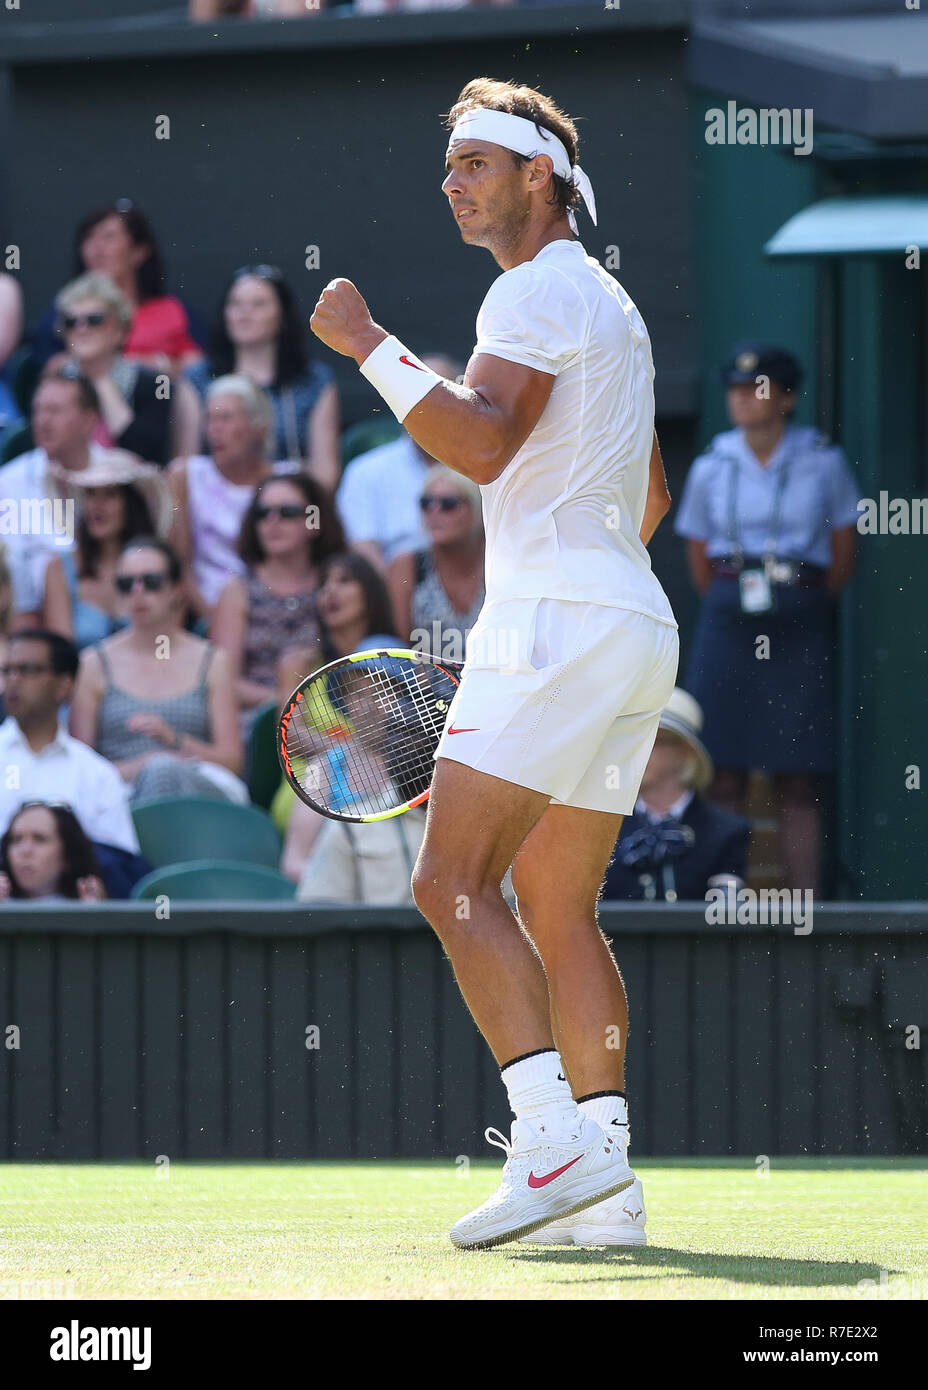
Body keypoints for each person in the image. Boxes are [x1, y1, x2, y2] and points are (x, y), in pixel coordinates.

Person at [308, 77, 679, 1250]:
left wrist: (367, 344)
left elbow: (475, 440)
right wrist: (574, 600)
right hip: (632, 623)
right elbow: (652, 494)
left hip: (561, 621)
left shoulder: (531, 293)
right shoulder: (609, 306)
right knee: (558, 908)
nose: (451, 180)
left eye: (475, 161)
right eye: (449, 164)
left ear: (540, 176)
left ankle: (547, 1136)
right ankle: (607, 1184)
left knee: (448, 883)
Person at [673, 343, 861, 895]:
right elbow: (699, 552)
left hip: (798, 613)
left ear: (786, 398)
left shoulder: (822, 460)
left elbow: (843, 548)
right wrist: (733, 597)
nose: (742, 400)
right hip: (732, 612)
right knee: (722, 768)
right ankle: (723, 897)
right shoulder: (713, 462)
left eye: (755, 389)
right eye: (734, 388)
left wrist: (804, 597)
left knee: (798, 776)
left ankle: (807, 906)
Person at [69, 538, 246, 804]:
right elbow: (82, 768)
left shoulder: (213, 660)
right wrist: (145, 766)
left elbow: (231, 762)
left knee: (162, 771)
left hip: (201, 796)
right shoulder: (93, 663)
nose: (138, 592)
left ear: (176, 589)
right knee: (157, 771)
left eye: (151, 582)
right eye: (126, 585)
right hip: (120, 795)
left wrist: (173, 741)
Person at [278, 551, 399, 880]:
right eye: (356, 694)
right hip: (312, 788)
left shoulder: (393, 650)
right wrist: (347, 749)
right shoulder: (301, 663)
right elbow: (290, 735)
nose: (330, 592)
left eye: (344, 581)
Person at [186, 265, 340, 489]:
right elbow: (187, 468)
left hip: (285, 510)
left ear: (282, 315)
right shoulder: (197, 378)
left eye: (258, 304)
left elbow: (326, 475)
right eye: (235, 303)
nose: (244, 313)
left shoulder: (315, 381)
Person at [211, 472, 344, 731]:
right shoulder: (238, 590)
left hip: (333, 716)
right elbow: (224, 682)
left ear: (315, 521)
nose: (272, 521)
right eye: (263, 513)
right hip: (259, 722)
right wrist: (286, 703)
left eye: (288, 512)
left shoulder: (335, 584)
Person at [601, 688, 751, 902]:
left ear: (685, 753)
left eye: (652, 742)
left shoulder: (725, 832)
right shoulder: (602, 828)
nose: (635, 753)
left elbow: (723, 922)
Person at [0, 630, 139, 854]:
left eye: (28, 670)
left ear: (64, 685)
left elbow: (119, 863)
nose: (13, 680)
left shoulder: (96, 774)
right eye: (8, 671)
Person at [44, 273, 200, 466]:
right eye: (71, 321)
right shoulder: (54, 382)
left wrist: (100, 381)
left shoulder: (153, 383)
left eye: (94, 320)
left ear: (120, 331)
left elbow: (145, 456)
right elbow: (46, 451)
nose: (81, 328)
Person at [30, 202, 204, 374]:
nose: (97, 249)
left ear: (139, 252)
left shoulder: (171, 310)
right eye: (89, 237)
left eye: (109, 237)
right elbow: (50, 367)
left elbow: (198, 367)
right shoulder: (66, 310)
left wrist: (157, 366)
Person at [168, 375, 287, 621]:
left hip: (275, 611)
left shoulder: (287, 481)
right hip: (205, 610)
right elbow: (179, 563)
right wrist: (214, 620)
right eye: (210, 418)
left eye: (226, 418)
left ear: (258, 428)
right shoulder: (185, 476)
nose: (215, 429)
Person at [0, 367, 107, 623]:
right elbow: (10, 572)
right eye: (38, 410)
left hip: (108, 612)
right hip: (31, 622)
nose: (43, 421)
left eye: (55, 411)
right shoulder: (6, 483)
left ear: (89, 419)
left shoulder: (119, 477)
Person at [336, 354, 462, 570]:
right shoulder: (364, 471)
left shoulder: (490, 467)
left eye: (439, 393)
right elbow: (362, 548)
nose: (426, 403)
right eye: (415, 392)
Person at [41, 449, 172, 650]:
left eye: (110, 494)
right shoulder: (59, 568)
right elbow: (62, 656)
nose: (96, 506)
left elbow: (163, 645)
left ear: (131, 504)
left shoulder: (159, 566)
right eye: (90, 494)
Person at [389, 464, 485, 658]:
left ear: (476, 508)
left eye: (448, 504)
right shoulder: (407, 566)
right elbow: (401, 648)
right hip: (426, 686)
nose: (434, 511)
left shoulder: (499, 559)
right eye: (426, 503)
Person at [0, 802, 106, 902]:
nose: (25, 850)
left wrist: (95, 916)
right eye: (16, 839)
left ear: (68, 854)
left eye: (39, 839)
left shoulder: (89, 904)